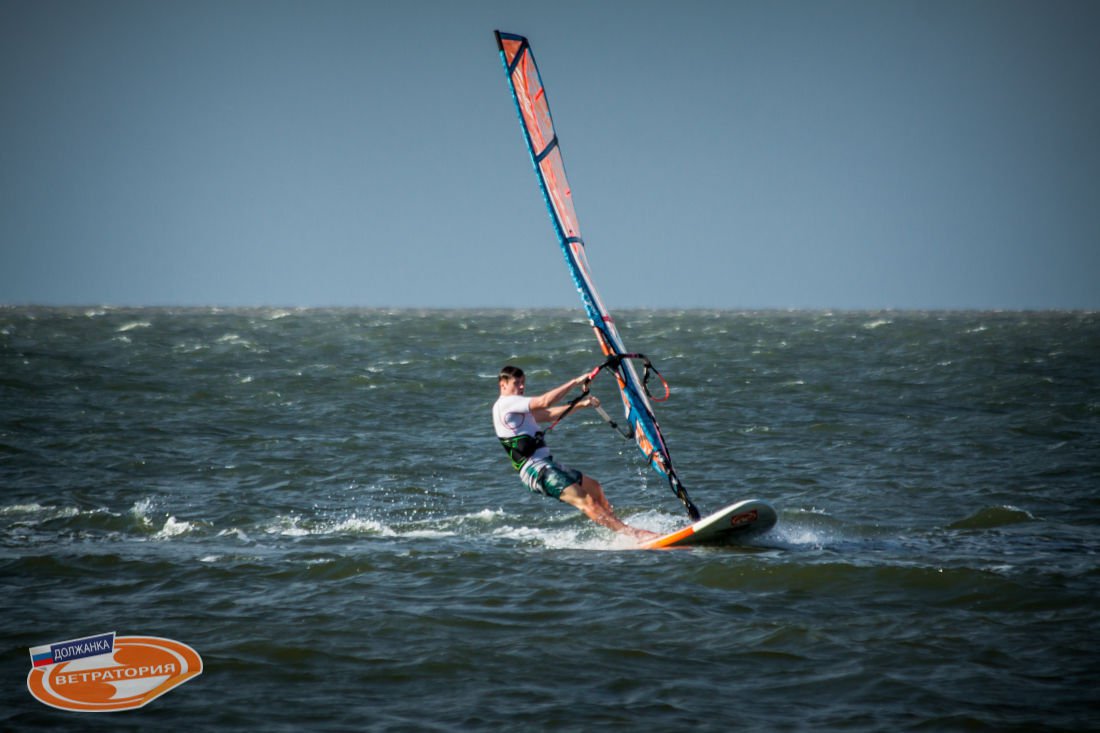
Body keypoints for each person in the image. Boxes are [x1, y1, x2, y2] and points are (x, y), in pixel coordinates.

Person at [492, 365, 657, 541]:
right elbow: (544, 402)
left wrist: (582, 404)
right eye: (516, 383)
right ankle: (634, 535)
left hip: (546, 464)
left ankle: (617, 529)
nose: (521, 387)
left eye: (523, 382)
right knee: (587, 501)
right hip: (535, 470)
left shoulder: (516, 409)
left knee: (594, 488)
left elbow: (549, 414)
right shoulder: (506, 403)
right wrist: (575, 382)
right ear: (503, 384)